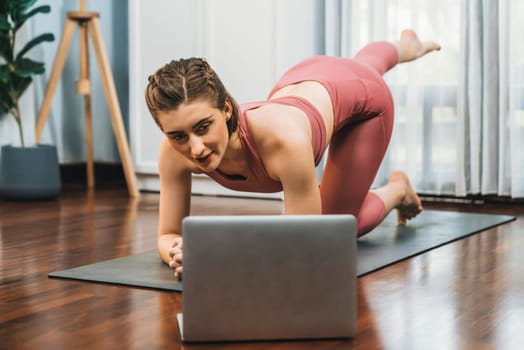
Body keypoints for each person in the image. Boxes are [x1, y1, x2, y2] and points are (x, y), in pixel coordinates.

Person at [145, 29, 441, 279]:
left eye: (203, 127)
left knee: (335, 228)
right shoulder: (173, 152)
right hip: (312, 77)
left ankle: (396, 191)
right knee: (361, 65)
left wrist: (219, 255)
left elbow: (307, 246)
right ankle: (405, 46)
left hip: (364, 103)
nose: (195, 148)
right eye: (178, 136)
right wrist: (181, 251)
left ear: (226, 109)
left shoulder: (283, 142)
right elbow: (167, 234)